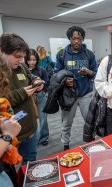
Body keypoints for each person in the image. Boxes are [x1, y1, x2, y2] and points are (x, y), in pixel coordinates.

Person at [0, 33, 44, 162]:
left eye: (23, 57)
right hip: (9, 133)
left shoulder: (21, 66)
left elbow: (31, 77)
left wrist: (36, 81)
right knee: (10, 169)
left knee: (29, 162)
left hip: (30, 127)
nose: (21, 61)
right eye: (17, 57)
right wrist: (22, 93)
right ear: (2, 51)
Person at [54, 26, 97, 150]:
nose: (77, 41)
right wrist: (65, 80)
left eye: (79, 38)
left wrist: (88, 72)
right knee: (66, 122)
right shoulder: (62, 54)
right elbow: (56, 74)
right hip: (68, 95)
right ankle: (66, 145)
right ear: (70, 39)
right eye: (74, 39)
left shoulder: (89, 54)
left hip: (86, 94)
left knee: (90, 121)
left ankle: (91, 141)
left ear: (82, 39)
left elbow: (96, 72)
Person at [25, 49, 50, 146]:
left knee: (43, 118)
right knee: (30, 119)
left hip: (41, 96)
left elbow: (47, 82)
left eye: (34, 60)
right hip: (28, 98)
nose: (31, 62)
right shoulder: (23, 71)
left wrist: (43, 88)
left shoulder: (41, 70)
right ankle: (32, 138)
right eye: (29, 60)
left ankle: (44, 137)